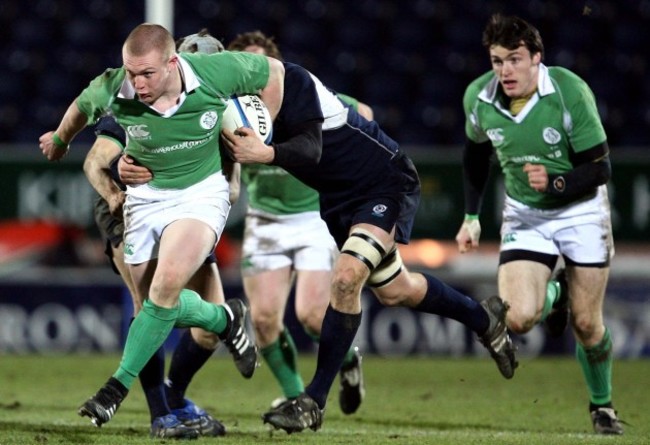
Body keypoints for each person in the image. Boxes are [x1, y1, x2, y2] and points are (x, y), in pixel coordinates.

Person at [216, 40, 517, 433]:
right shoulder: (238, 112)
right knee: (396, 291)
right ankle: (484, 318)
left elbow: (309, 149)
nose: (254, 77)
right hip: (339, 202)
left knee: (344, 280)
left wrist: (265, 154)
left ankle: (312, 401)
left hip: (383, 180)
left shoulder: (298, 82)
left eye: (259, 67)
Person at [38, 22, 285, 429]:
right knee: (154, 306)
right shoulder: (123, 90)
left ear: (174, 65)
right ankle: (172, 398)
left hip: (195, 201)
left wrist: (259, 143)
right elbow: (96, 158)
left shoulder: (221, 93)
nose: (138, 82)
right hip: (131, 203)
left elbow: (275, 77)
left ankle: (144, 394)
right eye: (132, 72)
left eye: (146, 74)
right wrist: (78, 150)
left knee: (170, 303)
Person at [454, 14, 622, 435]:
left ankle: (602, 407)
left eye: (514, 60)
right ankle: (557, 290)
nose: (505, 71)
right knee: (516, 318)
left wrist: (558, 180)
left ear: (536, 58)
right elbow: (475, 156)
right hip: (526, 213)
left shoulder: (568, 91)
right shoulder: (478, 98)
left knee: (587, 323)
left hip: (580, 210)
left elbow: (601, 167)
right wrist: (471, 216)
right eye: (496, 61)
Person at [82, 32, 234, 439]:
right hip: (133, 207)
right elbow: (96, 163)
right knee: (146, 304)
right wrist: (119, 181)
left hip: (189, 210)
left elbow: (233, 171)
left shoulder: (217, 103)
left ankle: (176, 396)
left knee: (207, 328)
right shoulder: (138, 96)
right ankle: (161, 416)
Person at [228, 30, 371, 415]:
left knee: (311, 315)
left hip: (313, 217)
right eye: (244, 65)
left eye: (260, 64)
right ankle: (297, 397)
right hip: (265, 220)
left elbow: (363, 114)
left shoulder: (298, 94)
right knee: (262, 320)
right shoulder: (229, 109)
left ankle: (348, 361)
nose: (252, 73)